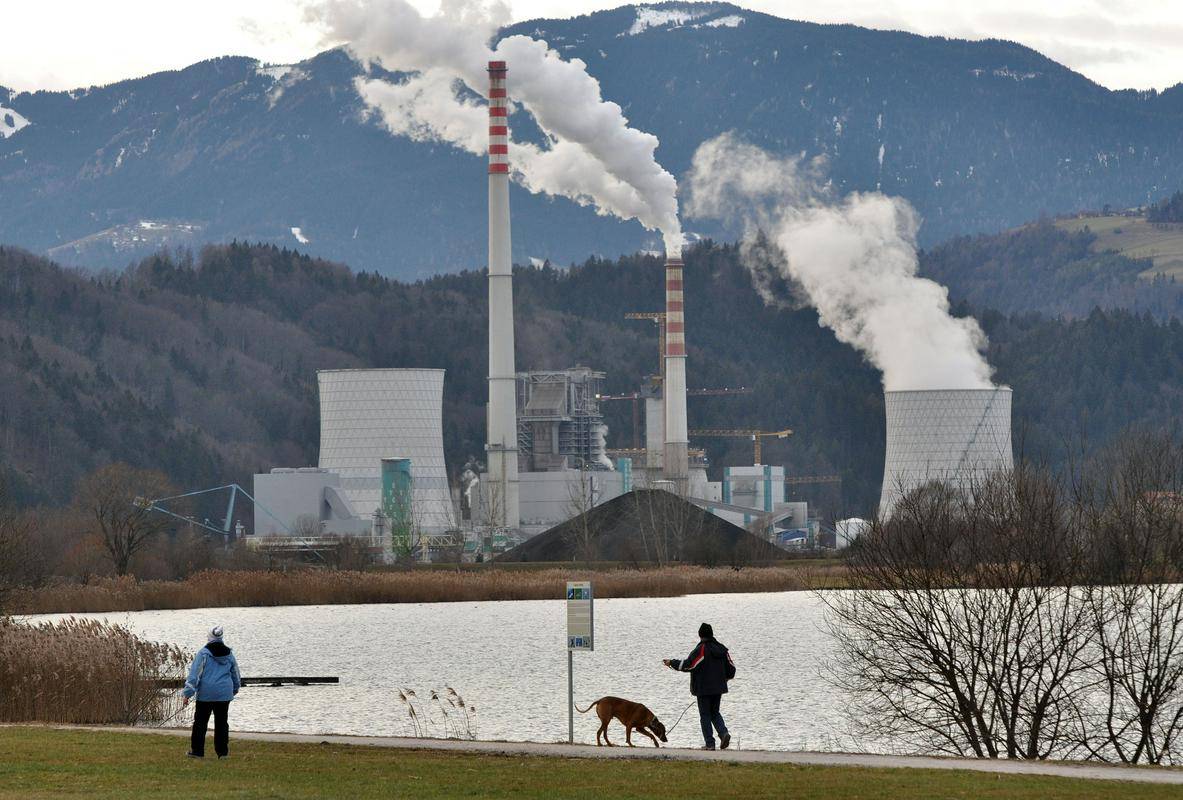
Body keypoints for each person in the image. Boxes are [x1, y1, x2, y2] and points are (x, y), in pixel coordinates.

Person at [663, 622, 735, 750]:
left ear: (700, 635)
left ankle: (710, 744)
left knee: (705, 715)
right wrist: (724, 679)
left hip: (703, 689)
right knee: (715, 713)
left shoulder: (701, 649)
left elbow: (689, 665)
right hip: (718, 688)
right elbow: (732, 669)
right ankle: (724, 733)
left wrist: (671, 663)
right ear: (711, 634)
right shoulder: (722, 649)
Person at [182, 625, 241, 759]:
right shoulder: (229, 654)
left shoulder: (203, 653)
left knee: (200, 723)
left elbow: (194, 675)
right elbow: (235, 674)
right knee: (222, 723)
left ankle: (197, 752)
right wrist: (235, 689)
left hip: (206, 694)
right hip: (224, 694)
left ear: (209, 637)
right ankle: (222, 753)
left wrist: (187, 694)